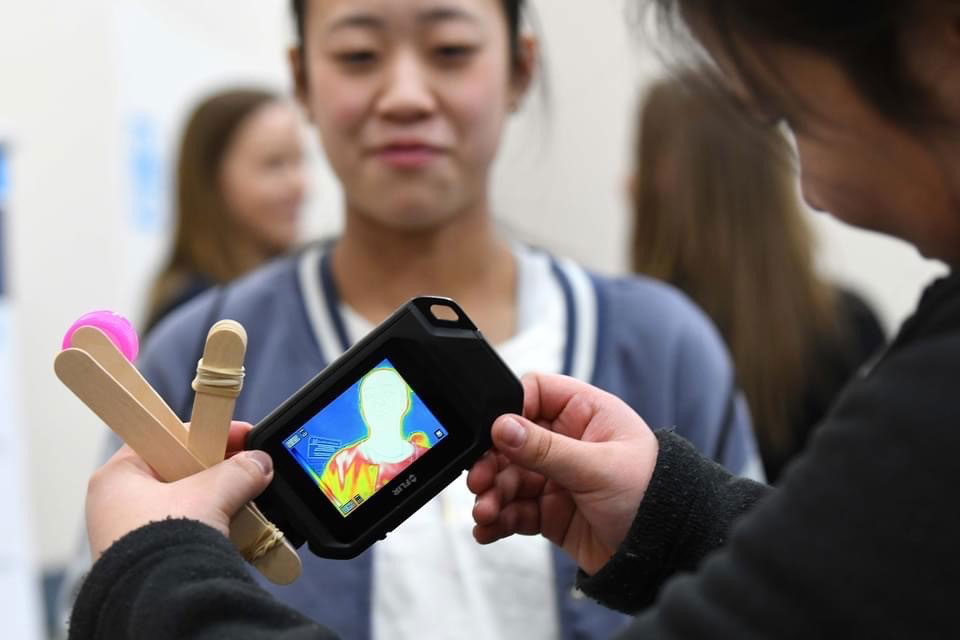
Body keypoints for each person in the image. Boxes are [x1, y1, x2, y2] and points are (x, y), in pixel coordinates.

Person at [67, 0, 960, 638]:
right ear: (300, 77)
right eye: (358, 54)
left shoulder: (662, 339)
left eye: (451, 48)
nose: (406, 94)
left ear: (520, 66)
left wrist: (159, 581)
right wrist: (680, 522)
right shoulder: (201, 354)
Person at [629, 72, 886, 481]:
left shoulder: (648, 341)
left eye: (639, 164)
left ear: (664, 176)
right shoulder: (853, 326)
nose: (625, 186)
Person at [143, 88, 307, 334]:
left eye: (299, 161)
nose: (299, 185)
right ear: (212, 179)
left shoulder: (299, 290)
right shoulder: (191, 314)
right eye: (273, 164)